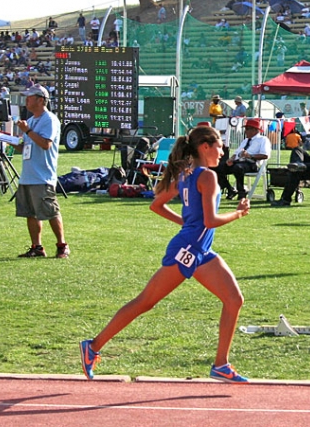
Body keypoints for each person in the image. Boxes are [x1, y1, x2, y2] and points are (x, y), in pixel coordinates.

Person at [79, 127, 250, 383]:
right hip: (189, 249)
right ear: (205, 146)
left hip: (199, 250)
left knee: (234, 299)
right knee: (146, 301)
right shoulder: (206, 177)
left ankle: (221, 364)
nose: (223, 150)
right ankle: (92, 347)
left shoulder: (187, 174)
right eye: (220, 145)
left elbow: (156, 204)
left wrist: (188, 224)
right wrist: (237, 213)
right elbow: (211, 221)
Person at [14, 85, 68, 258]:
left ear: (40, 100)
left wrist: (27, 131)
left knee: (51, 212)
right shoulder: (30, 120)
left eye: (29, 97)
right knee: (30, 213)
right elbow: (24, 147)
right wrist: (6, 139)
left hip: (42, 175)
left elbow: (46, 144)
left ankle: (62, 246)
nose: (26, 101)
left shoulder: (49, 120)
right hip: (28, 175)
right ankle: (37, 247)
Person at [215, 118, 269, 200]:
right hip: (239, 162)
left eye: (247, 129)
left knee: (238, 168)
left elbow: (265, 155)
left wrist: (250, 156)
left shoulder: (263, 140)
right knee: (218, 167)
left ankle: (241, 192)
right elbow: (237, 153)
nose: (245, 131)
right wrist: (231, 159)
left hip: (252, 163)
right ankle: (230, 189)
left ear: (255, 130)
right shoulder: (245, 140)